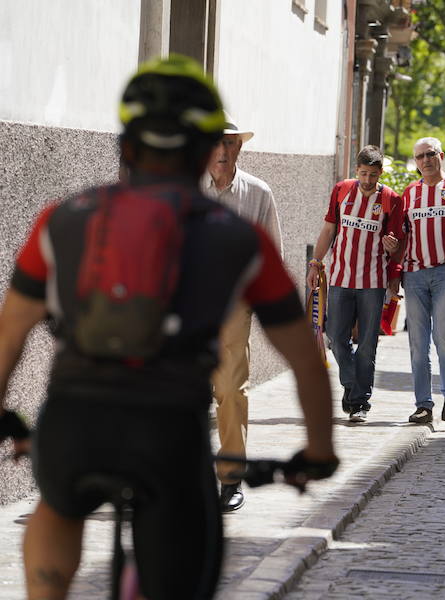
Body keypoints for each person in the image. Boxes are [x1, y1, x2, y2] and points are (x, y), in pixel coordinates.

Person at [0, 55, 338, 600]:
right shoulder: (234, 236)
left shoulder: (63, 218)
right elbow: (304, 357)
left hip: (74, 420)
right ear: (206, 151)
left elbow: (8, 338)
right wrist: (319, 451)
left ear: (126, 146)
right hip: (167, 433)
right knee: (185, 557)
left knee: (58, 505)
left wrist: (6, 418)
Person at [202, 114, 283, 512]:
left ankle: (231, 478)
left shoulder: (258, 192)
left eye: (229, 142)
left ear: (239, 147)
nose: (221, 150)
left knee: (231, 390)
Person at [384, 137, 445, 424]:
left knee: (443, 336)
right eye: (419, 157)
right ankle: (423, 405)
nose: (425, 160)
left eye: (430, 154)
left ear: (441, 155)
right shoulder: (410, 193)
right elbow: (401, 237)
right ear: (415, 162)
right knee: (417, 343)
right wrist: (394, 263)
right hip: (414, 276)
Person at [306, 146, 402, 423]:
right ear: (355, 170)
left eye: (373, 174)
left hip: (373, 281)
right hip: (339, 278)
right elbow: (328, 230)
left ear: (381, 173)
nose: (368, 180)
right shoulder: (342, 190)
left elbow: (396, 244)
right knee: (335, 337)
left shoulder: (390, 199)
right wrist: (315, 263)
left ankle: (359, 403)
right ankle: (352, 383)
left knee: (368, 343)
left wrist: (391, 246)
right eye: (363, 173)